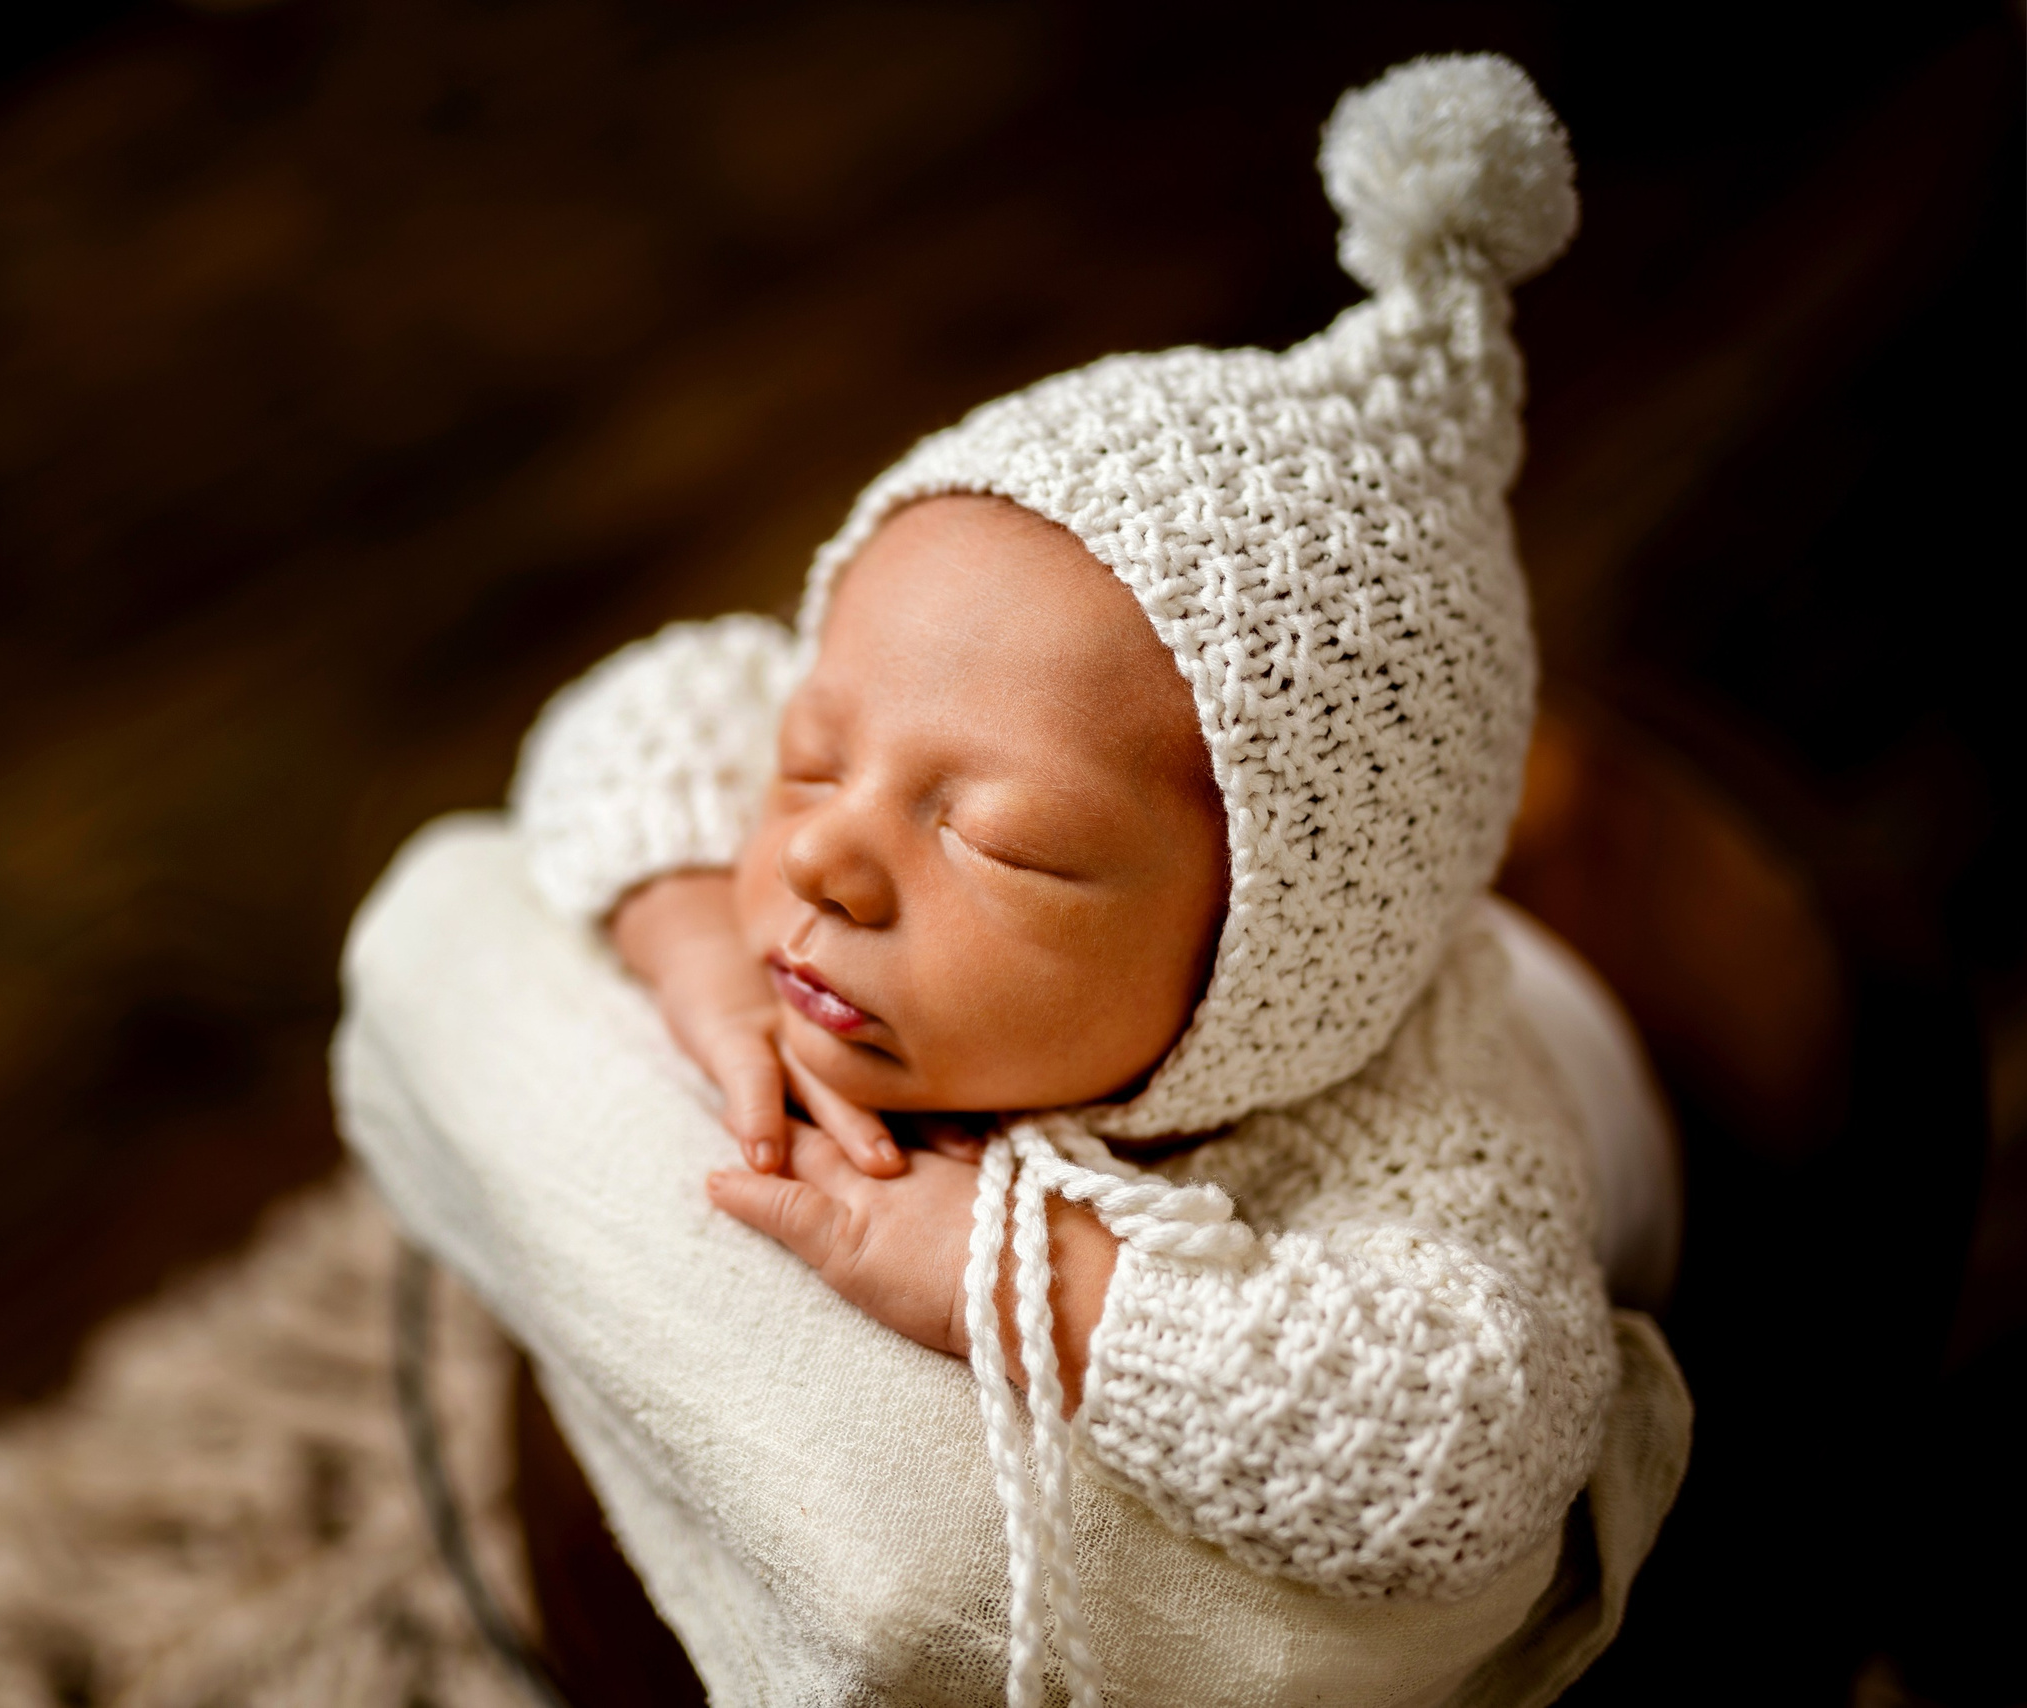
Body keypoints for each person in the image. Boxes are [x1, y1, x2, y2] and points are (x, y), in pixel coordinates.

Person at [505, 53, 1636, 1704]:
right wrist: (687, 936)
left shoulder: (1427, 1128)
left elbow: (1471, 1437)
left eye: (1000, 841)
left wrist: (1031, 1275)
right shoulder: (912, 721)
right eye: (817, 756)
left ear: (1268, 964)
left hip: (1612, 1053)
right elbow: (630, 714)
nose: (821, 849)